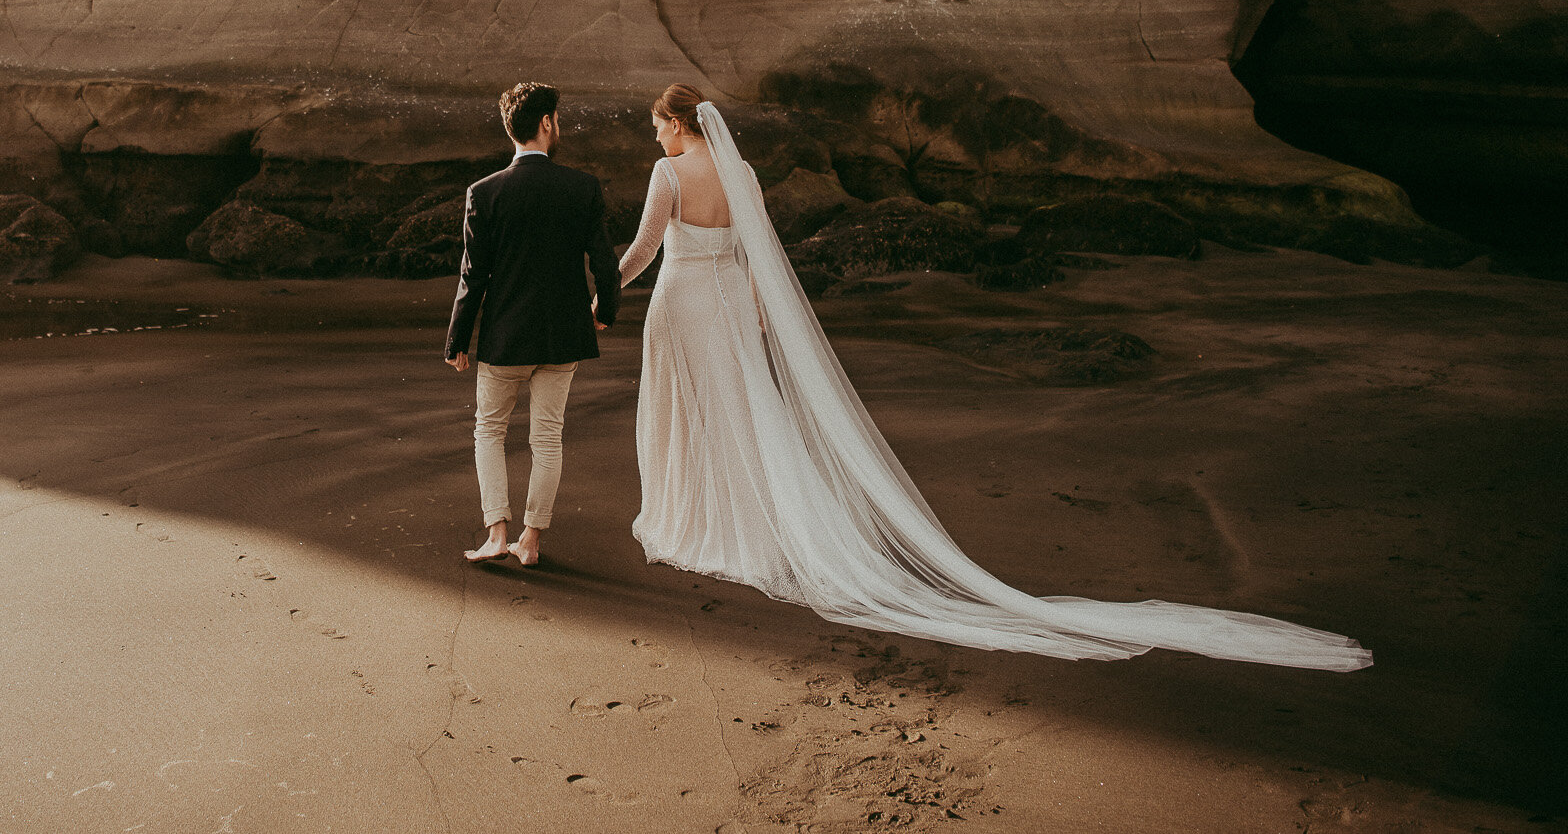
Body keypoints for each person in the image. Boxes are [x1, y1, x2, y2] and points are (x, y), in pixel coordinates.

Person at [613, 83, 1371, 670]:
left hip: (682, 303)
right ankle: (750, 523)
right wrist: (757, 315)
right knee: (745, 414)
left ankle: (693, 518)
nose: (656, 135)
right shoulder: (740, 169)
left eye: (658, 124)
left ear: (678, 123)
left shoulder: (668, 171)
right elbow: (759, 256)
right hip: (728, 306)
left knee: (687, 410)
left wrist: (601, 286)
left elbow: (645, 249)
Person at [445, 82, 621, 567]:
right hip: (564, 336)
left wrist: (458, 339)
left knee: (490, 433)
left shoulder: (484, 192)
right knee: (547, 438)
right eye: (557, 119)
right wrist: (604, 311)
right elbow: (605, 264)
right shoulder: (581, 187)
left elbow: (472, 275)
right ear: (547, 123)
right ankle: (531, 540)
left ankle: (496, 534)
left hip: (505, 338)